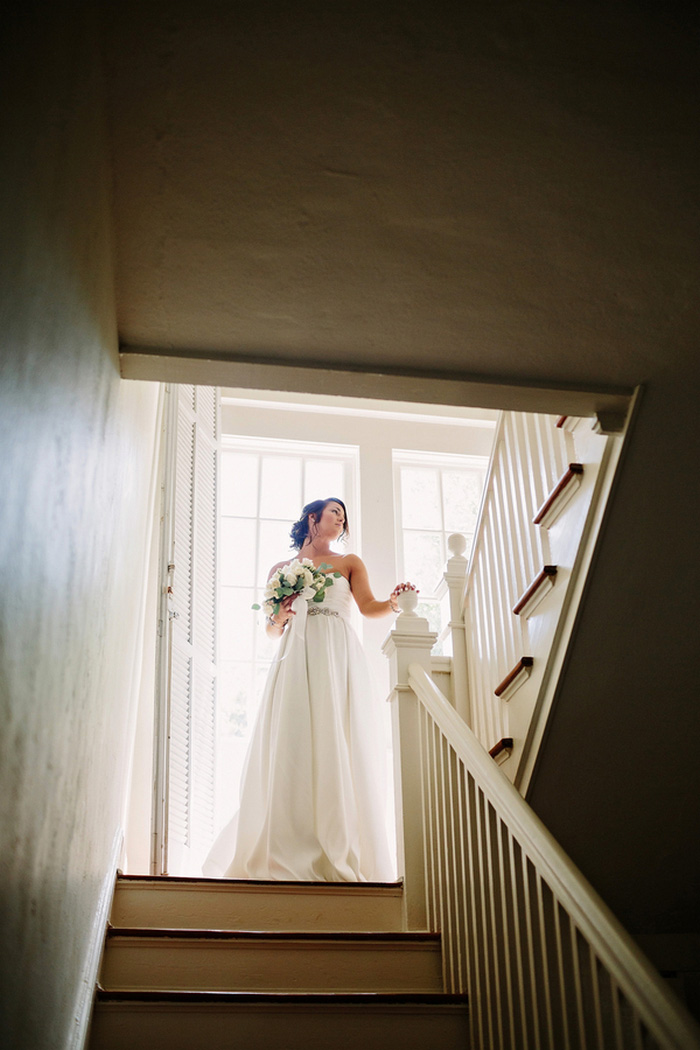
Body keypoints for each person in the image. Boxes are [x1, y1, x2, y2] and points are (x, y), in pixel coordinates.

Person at [203, 497, 415, 882]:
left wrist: (395, 603)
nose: (342, 519)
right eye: (335, 512)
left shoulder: (349, 563)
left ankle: (337, 846)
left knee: (337, 736)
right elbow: (270, 628)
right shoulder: (281, 569)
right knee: (293, 738)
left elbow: (369, 607)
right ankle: (285, 843)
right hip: (295, 654)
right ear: (312, 518)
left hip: (336, 654)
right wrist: (280, 616)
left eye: (345, 516)